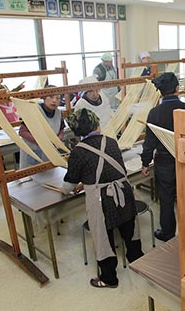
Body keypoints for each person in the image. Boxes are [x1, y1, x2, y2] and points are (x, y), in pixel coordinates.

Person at [62, 108, 143, 288]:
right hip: (123, 190)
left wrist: (77, 185)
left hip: (100, 197)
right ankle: (138, 262)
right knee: (129, 226)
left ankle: (109, 278)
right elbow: (112, 169)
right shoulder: (111, 142)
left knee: (103, 236)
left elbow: (68, 186)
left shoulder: (78, 151)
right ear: (97, 125)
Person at [141, 72, 185, 242]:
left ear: (160, 92)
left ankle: (168, 233)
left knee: (166, 199)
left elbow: (149, 141)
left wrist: (145, 162)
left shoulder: (154, 113)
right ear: (177, 89)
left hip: (164, 161)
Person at [18, 93, 65, 169]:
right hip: (34, 151)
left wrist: (58, 140)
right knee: (32, 175)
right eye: (51, 96)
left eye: (57, 98)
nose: (54, 100)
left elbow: (61, 130)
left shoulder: (58, 113)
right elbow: (22, 131)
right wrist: (40, 142)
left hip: (50, 152)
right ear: (44, 97)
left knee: (49, 173)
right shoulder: (34, 111)